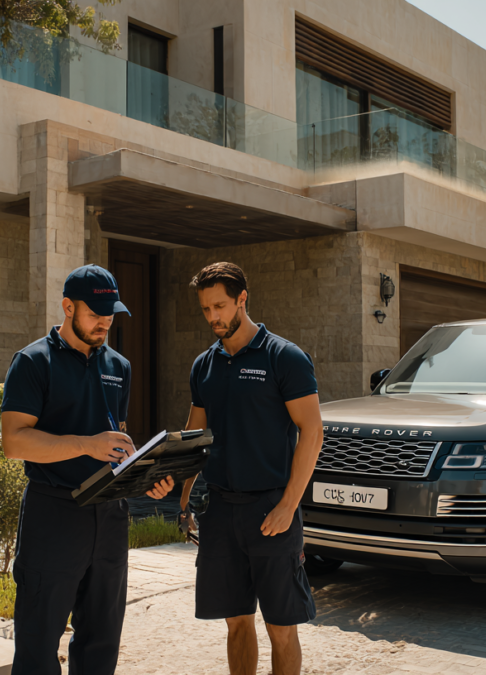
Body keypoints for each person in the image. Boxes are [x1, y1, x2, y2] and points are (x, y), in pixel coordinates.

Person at [1, 264, 174, 675]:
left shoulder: (119, 366)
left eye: (110, 313)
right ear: (68, 307)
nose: (105, 322)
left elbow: (116, 443)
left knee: (101, 641)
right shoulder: (33, 362)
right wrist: (86, 444)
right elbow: (14, 442)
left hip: (109, 516)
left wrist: (142, 477)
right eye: (95, 313)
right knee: (38, 643)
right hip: (53, 514)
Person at [178, 262, 324, 675]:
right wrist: (183, 499)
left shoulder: (284, 357)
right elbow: (194, 436)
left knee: (281, 627)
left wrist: (287, 506)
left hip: (271, 509)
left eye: (220, 306)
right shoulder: (204, 365)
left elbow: (313, 432)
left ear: (242, 299)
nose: (213, 317)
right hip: (221, 511)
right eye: (206, 309)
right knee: (236, 623)